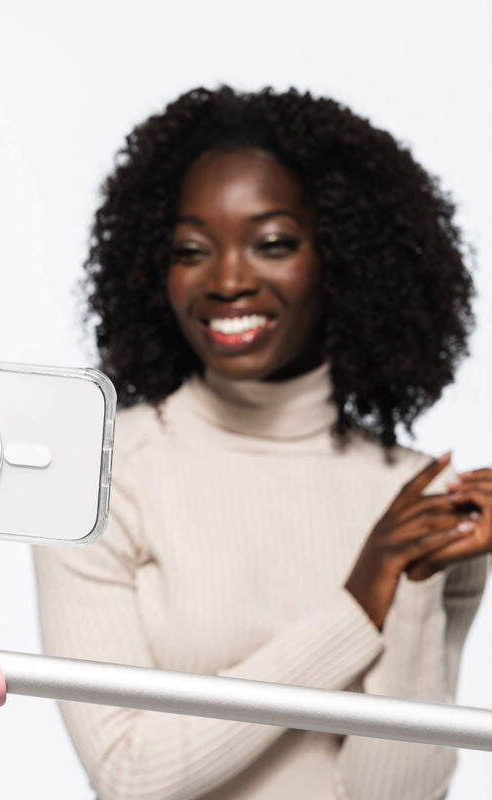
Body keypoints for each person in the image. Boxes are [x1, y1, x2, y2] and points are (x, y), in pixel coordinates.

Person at [30, 85, 491, 800]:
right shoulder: (102, 477)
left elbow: (392, 796)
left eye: (273, 243)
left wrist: (411, 585)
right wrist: (359, 600)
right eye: (192, 249)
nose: (229, 279)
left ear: (344, 254)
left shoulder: (415, 507)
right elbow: (129, 775)